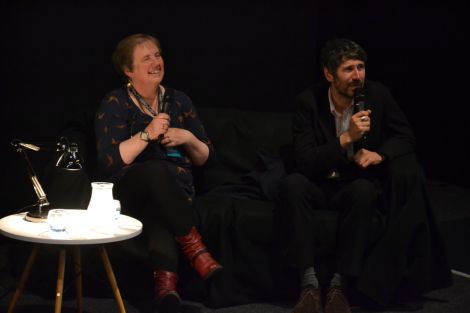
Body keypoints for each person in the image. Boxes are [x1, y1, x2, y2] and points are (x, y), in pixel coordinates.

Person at [279, 38, 451, 313]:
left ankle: (339, 286)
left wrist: (380, 154)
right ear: (328, 74)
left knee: (365, 191)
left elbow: (405, 136)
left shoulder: (377, 95)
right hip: (317, 179)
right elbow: (305, 160)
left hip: (352, 180)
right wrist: (347, 137)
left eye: (360, 67)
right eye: (348, 69)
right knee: (292, 185)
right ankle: (308, 285)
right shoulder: (308, 101)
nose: (357, 76)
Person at [94, 33, 222, 313]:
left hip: (175, 191)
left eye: (157, 55)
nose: (155, 62)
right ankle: (195, 249)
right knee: (153, 170)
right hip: (131, 190)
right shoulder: (116, 102)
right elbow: (110, 161)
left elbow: (207, 157)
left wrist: (187, 137)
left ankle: (166, 291)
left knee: (160, 210)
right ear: (129, 70)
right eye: (146, 58)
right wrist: (147, 134)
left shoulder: (179, 101)